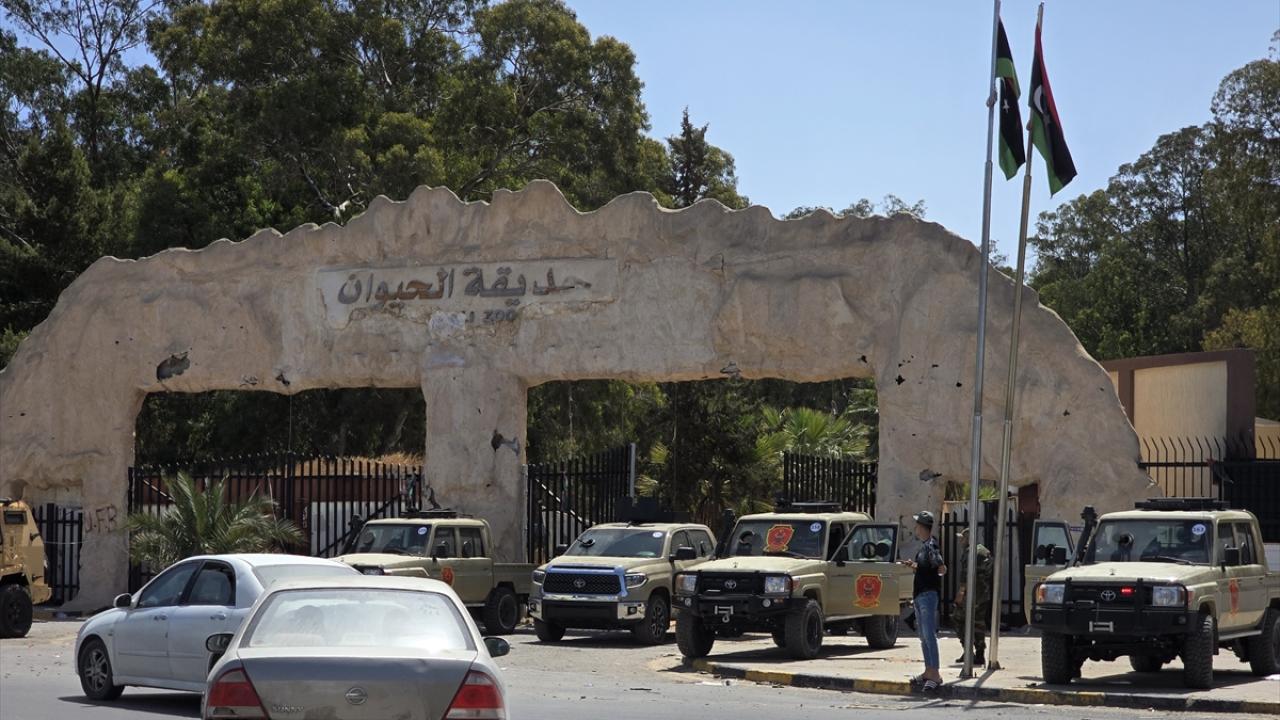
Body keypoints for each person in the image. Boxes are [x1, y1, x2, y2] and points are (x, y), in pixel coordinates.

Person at [903, 510, 946, 693]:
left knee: (929, 635)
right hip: (921, 595)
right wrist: (914, 566)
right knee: (923, 636)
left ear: (922, 527)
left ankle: (935, 673)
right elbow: (927, 568)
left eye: (917, 525)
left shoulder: (931, 545)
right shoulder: (924, 547)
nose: (915, 528)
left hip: (928, 595)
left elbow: (940, 566)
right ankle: (929, 671)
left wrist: (939, 571)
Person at [951, 528, 993, 665]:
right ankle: (979, 654)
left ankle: (968, 650)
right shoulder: (984, 551)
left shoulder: (970, 552)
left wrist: (961, 593)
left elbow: (966, 575)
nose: (961, 541)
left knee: (958, 618)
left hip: (970, 594)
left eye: (962, 538)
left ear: (968, 539)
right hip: (983, 594)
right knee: (979, 623)